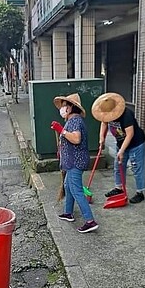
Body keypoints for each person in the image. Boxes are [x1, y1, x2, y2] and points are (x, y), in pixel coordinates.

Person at [50, 93, 98, 233]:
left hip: (76, 162)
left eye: (65, 105)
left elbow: (76, 139)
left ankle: (90, 221)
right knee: (68, 186)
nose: (63, 108)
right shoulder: (71, 121)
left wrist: (61, 131)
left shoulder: (75, 121)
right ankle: (68, 213)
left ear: (71, 108)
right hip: (71, 161)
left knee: (76, 190)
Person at [92, 92, 145, 204]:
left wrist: (121, 151)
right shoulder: (107, 115)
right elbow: (104, 123)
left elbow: (130, 134)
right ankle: (119, 188)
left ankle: (140, 192)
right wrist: (101, 137)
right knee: (118, 166)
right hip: (120, 143)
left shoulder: (126, 114)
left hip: (135, 143)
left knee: (136, 168)